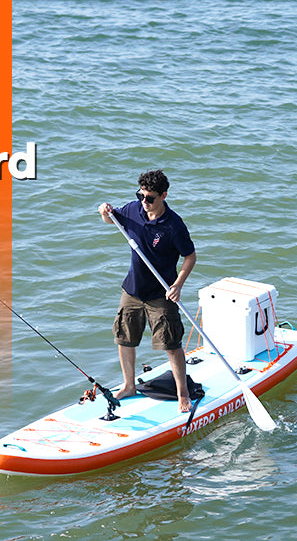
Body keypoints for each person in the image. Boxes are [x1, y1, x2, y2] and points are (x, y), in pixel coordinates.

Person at [98, 169, 197, 412]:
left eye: (150, 197)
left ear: (163, 195)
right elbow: (112, 220)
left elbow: (190, 257)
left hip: (161, 294)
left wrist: (177, 285)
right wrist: (104, 212)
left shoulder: (174, 225)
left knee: (171, 344)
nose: (144, 201)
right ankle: (129, 385)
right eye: (141, 195)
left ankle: (182, 393)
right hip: (132, 290)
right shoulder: (133, 209)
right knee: (124, 338)